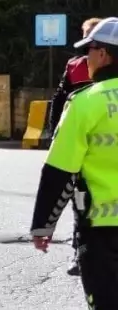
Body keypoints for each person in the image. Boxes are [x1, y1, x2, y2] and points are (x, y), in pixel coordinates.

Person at [31, 17, 118, 310]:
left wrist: (43, 226)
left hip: (104, 231)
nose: (85, 58)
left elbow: (60, 171)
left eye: (89, 51)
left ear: (103, 55)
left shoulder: (86, 101)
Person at [47, 18, 105, 276]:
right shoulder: (74, 67)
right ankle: (79, 253)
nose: (86, 45)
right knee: (80, 199)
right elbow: (59, 102)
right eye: (84, 37)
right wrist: (54, 137)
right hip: (84, 146)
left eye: (90, 39)